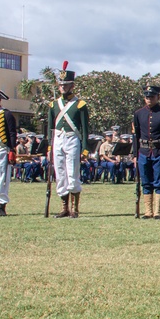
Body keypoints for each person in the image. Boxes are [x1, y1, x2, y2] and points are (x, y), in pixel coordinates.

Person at [47, 64, 90, 218]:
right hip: (58, 139)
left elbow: (85, 129)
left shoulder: (80, 105)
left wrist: (85, 148)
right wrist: (49, 147)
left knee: (72, 172)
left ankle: (74, 208)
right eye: (61, 85)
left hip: (73, 139)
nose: (63, 88)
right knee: (60, 173)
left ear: (72, 85)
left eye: (66, 85)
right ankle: (64, 207)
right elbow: (50, 129)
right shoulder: (53, 105)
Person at [132, 85, 160, 219]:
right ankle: (148, 211)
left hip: (159, 151)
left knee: (159, 181)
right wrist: (134, 154)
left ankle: (157, 212)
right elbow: (135, 135)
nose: (149, 99)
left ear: (158, 97)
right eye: (147, 97)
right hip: (143, 151)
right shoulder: (138, 114)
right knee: (146, 181)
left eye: (152, 96)